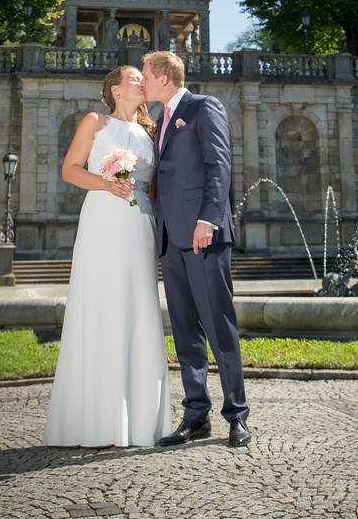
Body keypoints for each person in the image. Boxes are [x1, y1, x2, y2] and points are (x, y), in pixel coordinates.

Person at [43, 65, 171, 447]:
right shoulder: (95, 121)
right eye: (135, 78)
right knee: (101, 305)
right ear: (115, 89)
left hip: (140, 222)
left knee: (139, 306)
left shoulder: (152, 130)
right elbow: (69, 170)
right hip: (102, 217)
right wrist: (105, 182)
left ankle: (140, 417)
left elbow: (152, 185)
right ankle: (96, 417)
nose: (142, 82)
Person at [141, 50, 250, 448]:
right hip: (171, 239)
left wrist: (210, 218)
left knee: (219, 326)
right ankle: (195, 416)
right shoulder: (160, 122)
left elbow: (220, 165)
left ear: (165, 78)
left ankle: (237, 415)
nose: (142, 82)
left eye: (146, 76)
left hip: (205, 235)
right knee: (185, 331)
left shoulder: (204, 106)